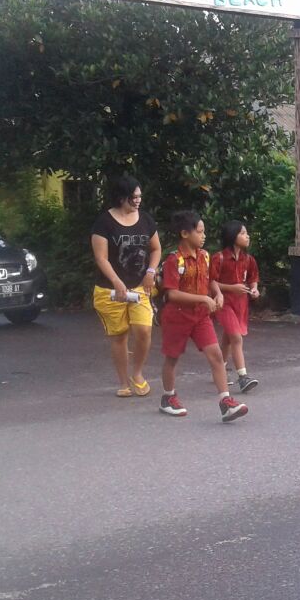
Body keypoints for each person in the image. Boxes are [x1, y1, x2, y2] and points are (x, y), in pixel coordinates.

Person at [157, 211, 249, 423]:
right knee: (172, 358)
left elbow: (210, 281)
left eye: (204, 231)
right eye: (199, 232)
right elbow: (171, 293)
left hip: (200, 316)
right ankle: (168, 397)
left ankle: (226, 402)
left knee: (216, 355)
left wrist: (216, 293)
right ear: (184, 234)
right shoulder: (174, 260)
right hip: (177, 316)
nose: (204, 235)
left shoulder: (205, 256)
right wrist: (203, 299)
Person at [90, 174, 161, 398]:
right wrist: (116, 281)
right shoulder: (104, 222)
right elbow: (101, 258)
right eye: (134, 197)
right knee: (119, 336)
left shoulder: (146, 220)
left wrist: (151, 271)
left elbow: (156, 249)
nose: (139, 201)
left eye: (140, 196)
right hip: (111, 290)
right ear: (122, 198)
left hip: (140, 286)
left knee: (144, 330)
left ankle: (137, 373)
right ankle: (123, 382)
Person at [211, 220, 260, 394]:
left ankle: (220, 369)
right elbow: (211, 282)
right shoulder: (219, 257)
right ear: (232, 236)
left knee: (228, 338)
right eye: (243, 233)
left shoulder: (248, 259)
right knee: (236, 338)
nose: (247, 236)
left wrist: (254, 289)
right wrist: (231, 288)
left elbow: (253, 278)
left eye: (246, 233)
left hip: (241, 304)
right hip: (224, 304)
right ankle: (243, 377)